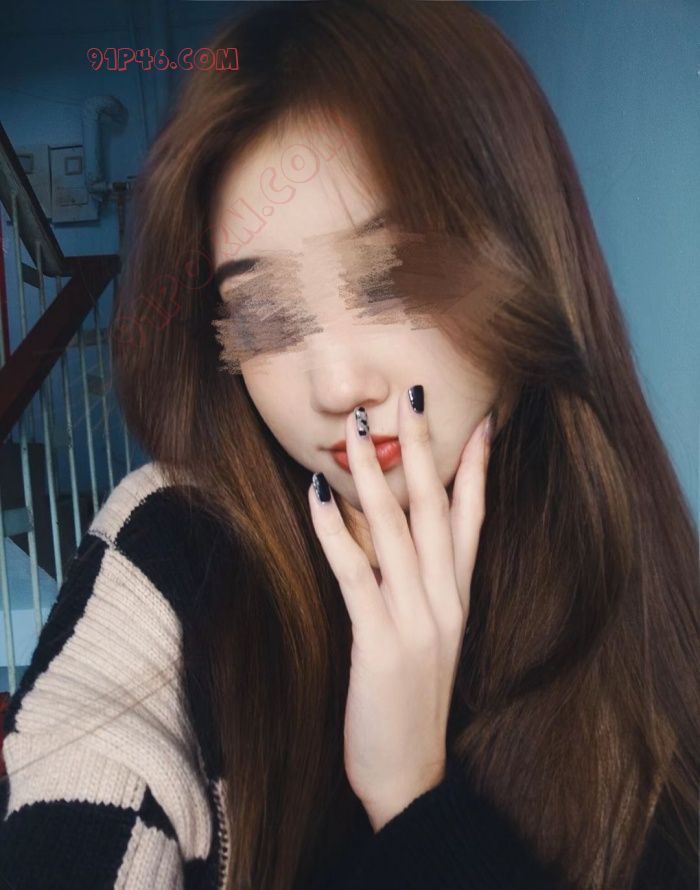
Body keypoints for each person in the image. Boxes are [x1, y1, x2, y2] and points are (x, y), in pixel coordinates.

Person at [1, 2, 697, 889]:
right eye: (263, 314)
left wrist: (412, 797)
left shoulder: (645, 618)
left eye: (389, 279)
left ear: (521, 255)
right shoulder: (174, 549)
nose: (337, 387)